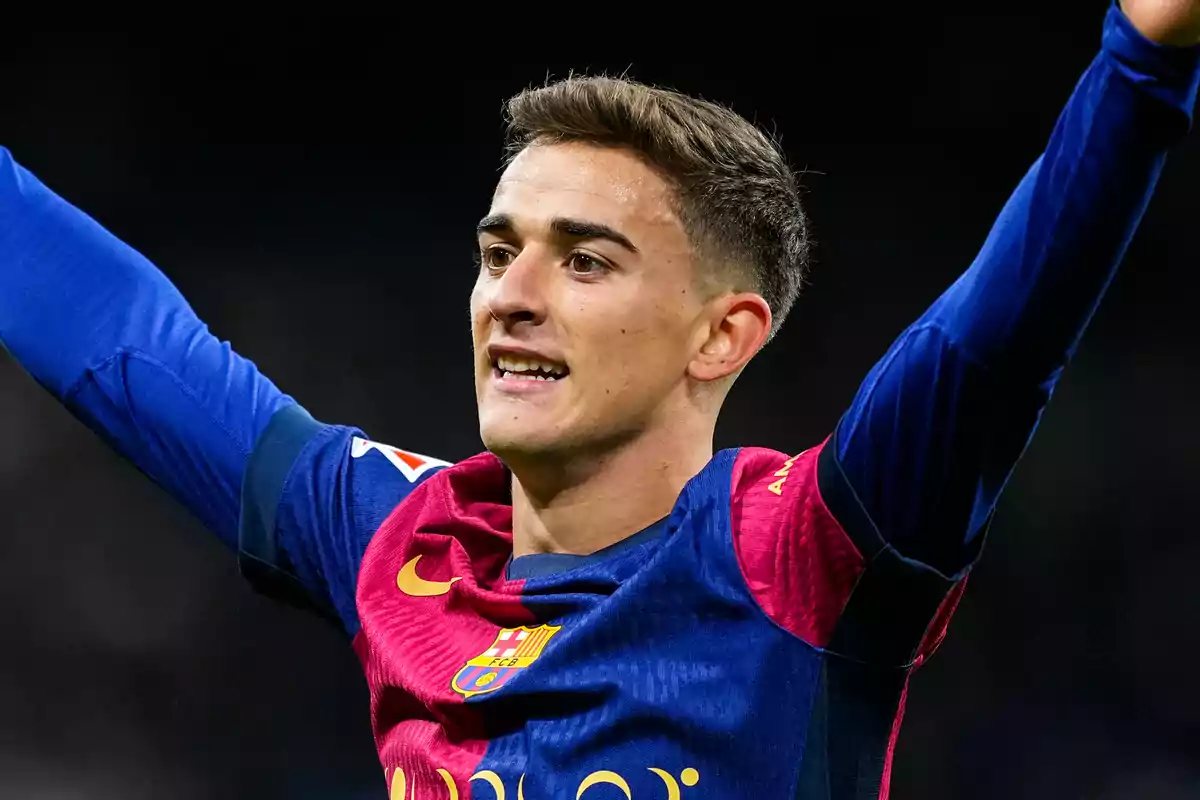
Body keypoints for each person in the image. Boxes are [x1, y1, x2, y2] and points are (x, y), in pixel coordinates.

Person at [2, 3, 1198, 798]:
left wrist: (1141, 65)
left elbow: (1002, 333)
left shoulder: (801, 556)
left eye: (584, 260)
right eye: (496, 250)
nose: (508, 297)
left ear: (723, 335)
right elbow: (125, 343)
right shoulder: (404, 541)